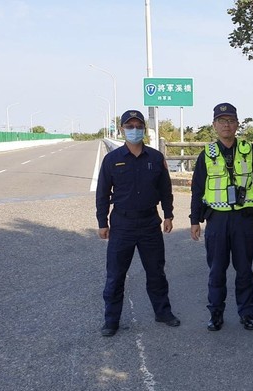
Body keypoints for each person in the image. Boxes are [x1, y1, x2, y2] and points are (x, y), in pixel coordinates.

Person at [190, 102, 253, 331]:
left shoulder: (250, 152)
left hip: (243, 219)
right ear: (214, 125)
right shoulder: (206, 155)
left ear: (237, 124)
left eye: (230, 121)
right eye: (222, 121)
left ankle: (246, 313)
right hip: (217, 220)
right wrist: (194, 221)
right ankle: (216, 314)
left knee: (244, 269)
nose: (226, 125)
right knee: (216, 270)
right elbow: (197, 189)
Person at [96, 109, 180, 337]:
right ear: (122, 129)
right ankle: (111, 320)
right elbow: (102, 193)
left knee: (156, 272)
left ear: (144, 129)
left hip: (150, 223)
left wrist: (169, 214)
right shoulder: (112, 160)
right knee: (115, 275)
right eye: (129, 126)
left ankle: (163, 312)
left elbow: (165, 190)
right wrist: (102, 222)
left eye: (138, 126)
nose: (134, 130)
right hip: (122, 224)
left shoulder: (155, 158)